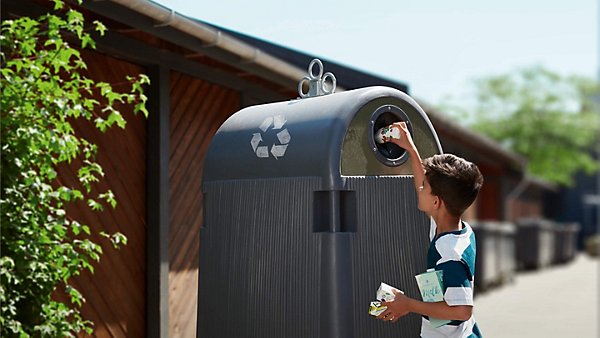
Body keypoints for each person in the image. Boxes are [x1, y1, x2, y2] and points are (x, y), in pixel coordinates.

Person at [377, 122, 484, 338]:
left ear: (436, 203)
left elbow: (462, 310)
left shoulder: (450, 254)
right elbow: (423, 183)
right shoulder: (452, 226)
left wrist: (407, 304)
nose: (419, 188)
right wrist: (411, 149)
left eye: (424, 187)